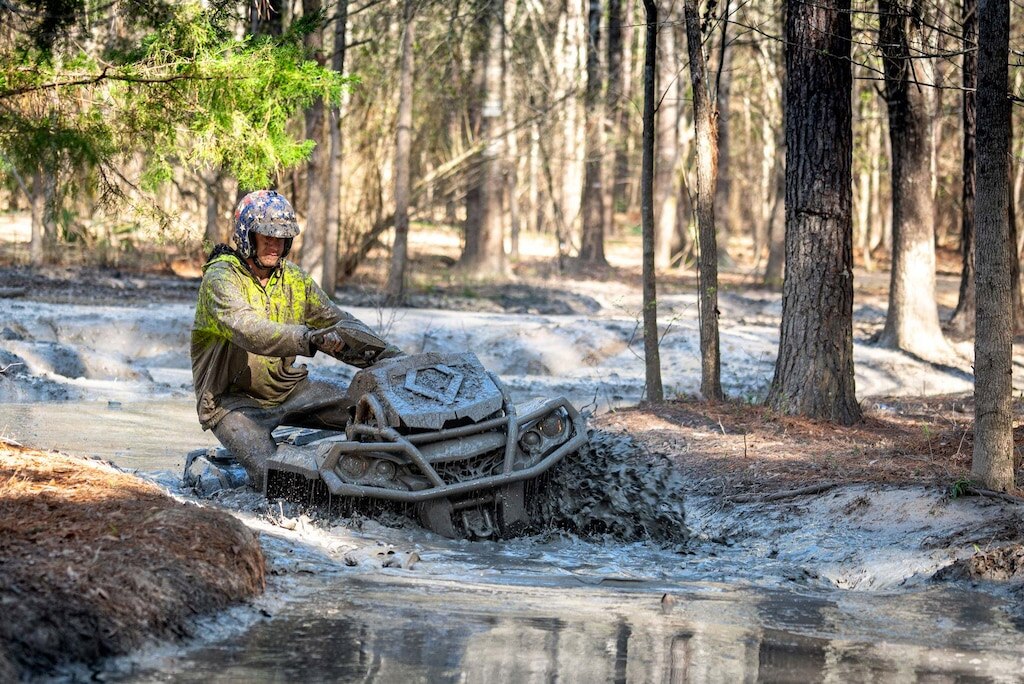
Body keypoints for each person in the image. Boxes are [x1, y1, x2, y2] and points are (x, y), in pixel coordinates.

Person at [190, 190, 403, 491]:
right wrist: (310, 339)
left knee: (373, 414)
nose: (274, 244)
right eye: (266, 236)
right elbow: (249, 330)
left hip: (289, 389)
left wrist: (394, 358)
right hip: (231, 403)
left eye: (282, 238)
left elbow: (340, 323)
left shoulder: (294, 279)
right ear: (247, 235)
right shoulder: (221, 278)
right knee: (279, 482)